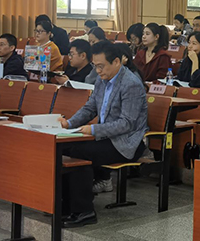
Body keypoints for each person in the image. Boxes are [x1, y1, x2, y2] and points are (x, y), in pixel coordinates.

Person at [58, 41, 147, 228]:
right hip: (105, 137)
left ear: (116, 62)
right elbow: (90, 108)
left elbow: (127, 123)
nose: (97, 71)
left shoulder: (131, 84)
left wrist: (94, 130)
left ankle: (84, 211)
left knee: (80, 153)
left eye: (101, 66)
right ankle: (65, 206)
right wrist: (69, 123)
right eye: (95, 66)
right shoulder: (102, 79)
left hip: (126, 142)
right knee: (62, 147)